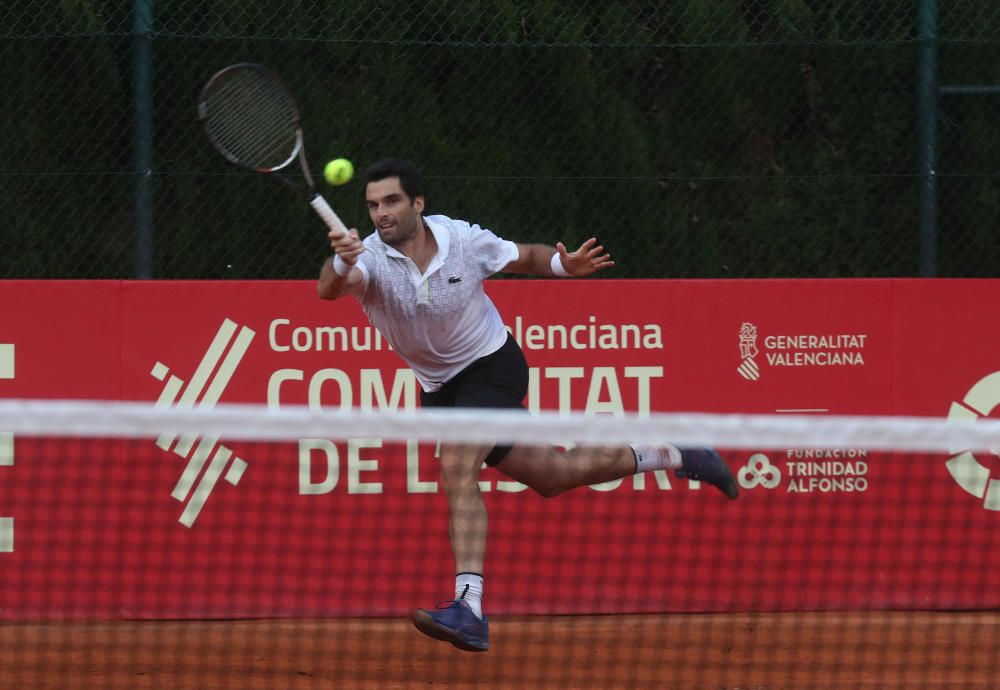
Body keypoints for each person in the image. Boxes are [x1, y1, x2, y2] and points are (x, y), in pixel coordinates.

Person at [317, 158, 739, 653]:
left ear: (418, 203)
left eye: (391, 201)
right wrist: (343, 260)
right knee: (553, 476)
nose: (381, 214)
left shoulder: (461, 242)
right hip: (441, 389)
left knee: (456, 464)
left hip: (491, 366)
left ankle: (469, 608)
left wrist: (565, 265)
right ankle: (678, 454)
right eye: (372, 205)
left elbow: (527, 257)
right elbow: (329, 288)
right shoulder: (367, 258)